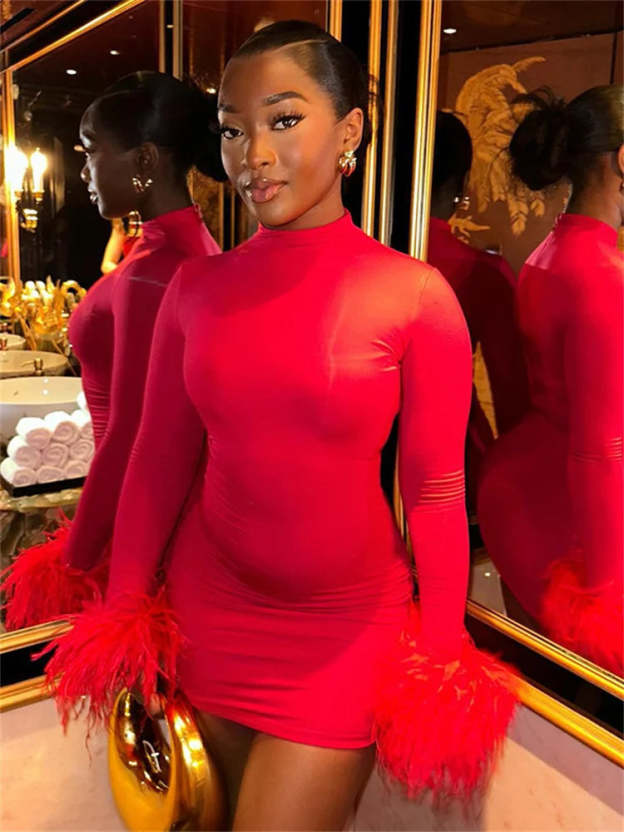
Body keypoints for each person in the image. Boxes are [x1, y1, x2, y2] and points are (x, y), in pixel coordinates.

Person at [45, 22, 516, 826]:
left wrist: (440, 655)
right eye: (232, 130)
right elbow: (157, 463)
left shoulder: (415, 296)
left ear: (350, 131)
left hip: (342, 635)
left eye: (284, 119)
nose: (253, 155)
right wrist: (126, 614)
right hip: (208, 615)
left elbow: (436, 492)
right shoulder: (197, 289)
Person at [1, 71, 224, 630]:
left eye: (91, 150)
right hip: (153, 512)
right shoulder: (179, 247)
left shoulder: (157, 268)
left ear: (144, 160)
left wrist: (77, 558)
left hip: (136, 524)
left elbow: (131, 435)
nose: (83, 171)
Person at [478, 86, 623, 673]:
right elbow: (600, 450)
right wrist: (607, 592)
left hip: (520, 489)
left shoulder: (549, 252)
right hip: (567, 514)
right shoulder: (603, 274)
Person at [428, 112, 529, 507]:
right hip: (454, 455)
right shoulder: (483, 273)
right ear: (460, 183)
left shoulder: (352, 260)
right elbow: (512, 398)